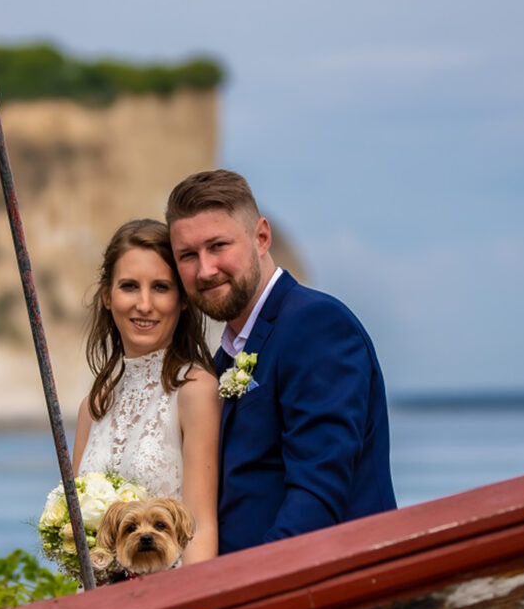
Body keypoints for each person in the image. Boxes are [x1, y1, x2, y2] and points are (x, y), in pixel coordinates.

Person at [166, 169, 396, 554]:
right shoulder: (222, 359)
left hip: (324, 592)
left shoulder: (317, 325)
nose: (205, 270)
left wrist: (240, 588)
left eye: (218, 246)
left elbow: (318, 492)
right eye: (188, 255)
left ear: (261, 237)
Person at [72, 218, 221, 564]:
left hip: (169, 599)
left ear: (183, 300)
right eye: (129, 286)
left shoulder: (195, 391)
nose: (144, 304)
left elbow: (201, 527)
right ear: (107, 296)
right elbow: (77, 526)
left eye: (160, 287)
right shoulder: (93, 406)